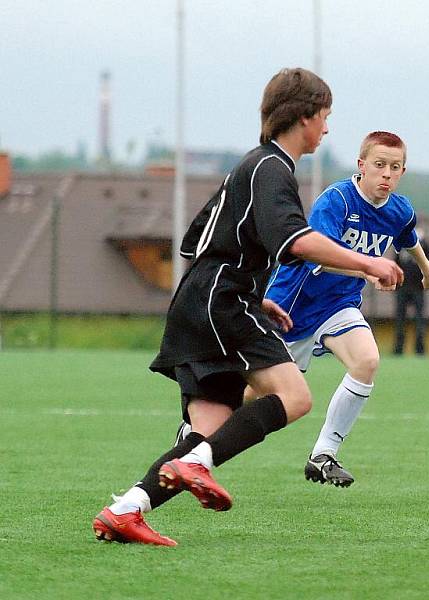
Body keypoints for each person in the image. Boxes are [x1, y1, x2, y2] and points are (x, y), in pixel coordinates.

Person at [91, 68, 403, 547]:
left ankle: (125, 510)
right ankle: (196, 466)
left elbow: (197, 240)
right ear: (304, 117)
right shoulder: (272, 169)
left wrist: (257, 297)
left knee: (210, 432)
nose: (327, 128)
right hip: (222, 302)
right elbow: (296, 242)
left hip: (204, 300)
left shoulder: (253, 166)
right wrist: (368, 264)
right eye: (324, 117)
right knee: (295, 396)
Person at [261, 131, 429, 487]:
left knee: (367, 361)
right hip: (292, 305)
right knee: (259, 394)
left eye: (395, 167)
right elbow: (319, 257)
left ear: (403, 171)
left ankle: (323, 455)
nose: (387, 174)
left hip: (338, 304)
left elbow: (408, 236)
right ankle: (197, 434)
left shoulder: (399, 209)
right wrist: (367, 267)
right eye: (379, 165)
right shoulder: (337, 201)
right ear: (361, 166)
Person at [393, 228, 429, 355]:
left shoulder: (425, 246)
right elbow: (395, 264)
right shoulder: (400, 244)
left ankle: (420, 350)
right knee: (400, 320)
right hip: (402, 288)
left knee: (420, 320)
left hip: (418, 288)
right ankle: (398, 349)